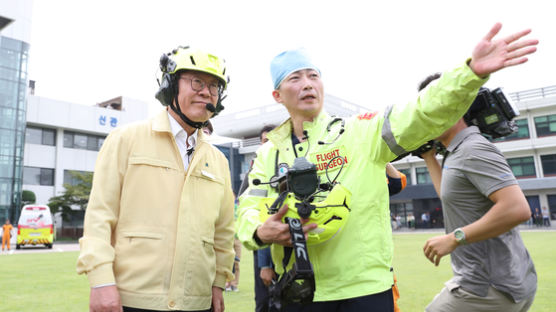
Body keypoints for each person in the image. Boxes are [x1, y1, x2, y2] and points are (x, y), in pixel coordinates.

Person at [237, 23, 537, 312]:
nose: (307, 84)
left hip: (365, 291)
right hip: (299, 290)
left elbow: (421, 111)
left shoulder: (362, 132)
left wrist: (469, 74)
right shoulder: (268, 154)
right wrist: (261, 231)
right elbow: (247, 208)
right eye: (294, 78)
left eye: (313, 75)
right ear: (278, 95)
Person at [76, 46, 236, 312]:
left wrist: (219, 282)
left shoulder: (219, 160)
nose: (206, 92)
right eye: (196, 81)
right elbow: (99, 216)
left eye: (214, 86)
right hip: (132, 299)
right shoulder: (125, 139)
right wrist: (100, 281)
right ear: (170, 85)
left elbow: (223, 232)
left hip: (198, 302)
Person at [419, 75, 538, 310]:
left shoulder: (473, 148)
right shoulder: (457, 152)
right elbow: (452, 198)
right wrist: (429, 158)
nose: (423, 115)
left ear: (454, 104)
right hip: (500, 282)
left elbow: (517, 208)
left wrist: (454, 238)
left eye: (430, 106)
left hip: (488, 288)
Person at [239, 125, 277, 312]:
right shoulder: (255, 172)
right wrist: (264, 263)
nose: (268, 144)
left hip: (287, 248)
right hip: (263, 245)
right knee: (263, 301)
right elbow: (247, 208)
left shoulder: (286, 166)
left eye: (272, 140)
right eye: (264, 141)